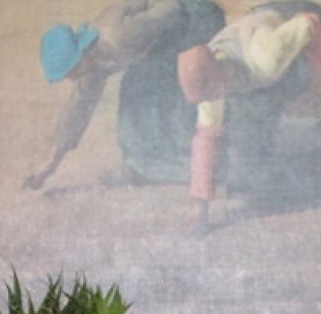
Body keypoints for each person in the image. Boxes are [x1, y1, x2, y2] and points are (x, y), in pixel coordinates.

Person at [176, 2, 321, 222]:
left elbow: (310, 23)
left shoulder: (265, 58)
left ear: (220, 74)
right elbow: (206, 138)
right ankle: (273, 186)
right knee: (250, 127)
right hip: (263, 35)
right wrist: (201, 206)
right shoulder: (209, 84)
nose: (212, 98)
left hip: (301, 22)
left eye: (213, 92)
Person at [26, 0, 226, 189]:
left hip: (195, 16)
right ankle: (143, 166)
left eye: (71, 70)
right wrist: (50, 163)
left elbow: (171, 9)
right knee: (136, 89)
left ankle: (202, 165)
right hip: (167, 31)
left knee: (165, 88)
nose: (71, 77)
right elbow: (79, 105)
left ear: (81, 53)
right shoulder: (92, 59)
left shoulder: (119, 37)